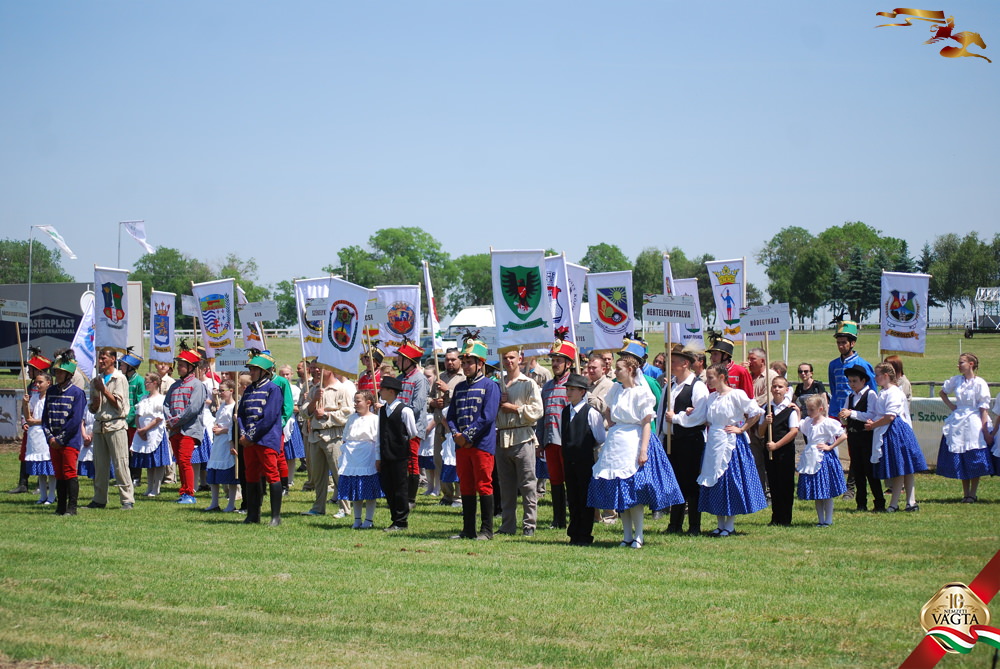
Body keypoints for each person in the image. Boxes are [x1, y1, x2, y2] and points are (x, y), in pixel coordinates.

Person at [587, 339, 684, 549]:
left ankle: (638, 535)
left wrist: (643, 450)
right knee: (621, 491)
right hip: (616, 441)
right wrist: (612, 422)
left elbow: (646, 423)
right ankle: (626, 535)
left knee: (634, 492)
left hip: (634, 439)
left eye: (619, 369)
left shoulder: (641, 392)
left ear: (631, 370)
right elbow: (607, 408)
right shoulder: (616, 389)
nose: (615, 372)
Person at [689, 362, 767, 537]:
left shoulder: (736, 394)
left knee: (730, 480)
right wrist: (691, 412)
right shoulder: (711, 397)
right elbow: (707, 418)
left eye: (711, 377)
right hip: (713, 441)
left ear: (722, 377)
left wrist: (741, 428)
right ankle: (720, 524)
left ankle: (729, 525)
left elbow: (755, 412)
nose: (708, 381)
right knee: (715, 480)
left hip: (730, 442)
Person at [847, 362, 927, 512]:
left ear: (885, 376)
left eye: (877, 375)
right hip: (887, 430)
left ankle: (907, 502)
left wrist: (873, 425)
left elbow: (890, 416)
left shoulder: (894, 392)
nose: (875, 378)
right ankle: (901, 503)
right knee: (901, 468)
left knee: (903, 467)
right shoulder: (884, 392)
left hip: (896, 430)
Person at [446, 336, 501, 540]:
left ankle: (486, 530)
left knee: (484, 485)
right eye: (465, 362)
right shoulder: (459, 387)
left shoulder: (490, 386)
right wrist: (456, 434)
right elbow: (451, 416)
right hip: (461, 445)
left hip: (482, 444)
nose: (466, 366)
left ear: (480, 363)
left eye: (470, 362)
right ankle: (468, 529)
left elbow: (488, 416)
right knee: (466, 486)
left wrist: (467, 436)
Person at [659, 343, 709, 535]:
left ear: (685, 363)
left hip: (690, 440)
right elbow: (661, 412)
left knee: (691, 483)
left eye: (673, 362)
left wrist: (677, 418)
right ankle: (675, 524)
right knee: (675, 482)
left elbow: (700, 415)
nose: (670, 365)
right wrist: (661, 435)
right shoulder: (670, 385)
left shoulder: (697, 386)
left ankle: (694, 525)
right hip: (671, 440)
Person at [495, 348, 543, 537]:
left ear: (520, 359)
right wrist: (498, 402)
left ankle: (529, 524)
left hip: (522, 436)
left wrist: (515, 408)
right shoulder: (498, 384)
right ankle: (508, 524)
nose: (508, 361)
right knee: (506, 485)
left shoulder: (528, 383)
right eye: (505, 358)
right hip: (502, 437)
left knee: (527, 483)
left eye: (512, 357)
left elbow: (537, 410)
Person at [937, 353, 993, 502]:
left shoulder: (980, 383)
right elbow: (942, 392)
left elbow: (983, 408)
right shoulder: (957, 380)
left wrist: (985, 430)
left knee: (973, 455)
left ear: (971, 364)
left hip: (973, 420)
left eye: (961, 362)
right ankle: (966, 493)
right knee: (961, 455)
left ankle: (973, 493)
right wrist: (953, 407)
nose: (958, 365)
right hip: (958, 419)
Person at [237, 352, 285, 525]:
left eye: (254, 369)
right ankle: (253, 514)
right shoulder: (249, 389)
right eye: (251, 369)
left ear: (264, 371)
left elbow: (269, 417)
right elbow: (241, 414)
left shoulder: (273, 389)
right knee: (250, 475)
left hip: (266, 439)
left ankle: (275, 517)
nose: (251, 372)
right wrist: (243, 433)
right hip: (249, 441)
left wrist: (250, 436)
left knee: (272, 474)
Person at [301, 365, 354, 517]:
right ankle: (318, 507)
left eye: (320, 368)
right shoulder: (314, 389)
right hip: (315, 435)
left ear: (330, 369)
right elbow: (304, 412)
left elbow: (348, 413)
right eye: (315, 368)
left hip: (334, 436)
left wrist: (327, 415)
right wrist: (314, 400)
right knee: (318, 475)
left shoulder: (342, 389)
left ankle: (345, 508)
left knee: (338, 473)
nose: (317, 370)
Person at [561, 373, 605, 545]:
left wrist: (586, 447)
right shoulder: (565, 412)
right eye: (568, 389)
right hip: (569, 460)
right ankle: (574, 532)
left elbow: (600, 437)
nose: (569, 392)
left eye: (573, 389)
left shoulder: (590, 413)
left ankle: (585, 533)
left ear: (582, 392)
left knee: (584, 497)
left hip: (585, 461)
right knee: (572, 497)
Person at [88, 347, 134, 510]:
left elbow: (119, 405)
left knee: (120, 463)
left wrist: (103, 390)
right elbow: (92, 408)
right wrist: (95, 402)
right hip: (100, 425)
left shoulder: (119, 379)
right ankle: (99, 499)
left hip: (116, 424)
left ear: (113, 359)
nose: (101, 361)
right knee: (100, 465)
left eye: (104, 358)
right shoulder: (96, 380)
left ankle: (127, 499)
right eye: (99, 358)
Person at [538, 334, 575, 529]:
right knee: (555, 481)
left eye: (559, 360)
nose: (555, 364)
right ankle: (558, 519)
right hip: (550, 441)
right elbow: (542, 416)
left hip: (567, 442)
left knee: (571, 480)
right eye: (553, 360)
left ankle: (575, 517)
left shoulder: (574, 386)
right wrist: (539, 442)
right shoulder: (547, 387)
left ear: (568, 363)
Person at [42, 353, 86, 516]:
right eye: (56, 372)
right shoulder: (51, 391)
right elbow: (45, 417)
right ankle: (60, 507)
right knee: (58, 473)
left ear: (69, 374)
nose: (57, 375)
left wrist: (60, 439)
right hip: (53, 441)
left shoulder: (77, 393)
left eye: (61, 372)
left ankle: (72, 507)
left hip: (69, 441)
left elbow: (75, 420)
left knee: (69, 472)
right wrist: (50, 437)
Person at [837, 366, 885, 513]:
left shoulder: (870, 394)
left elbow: (871, 415)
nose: (852, 384)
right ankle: (861, 502)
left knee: (870, 470)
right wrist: (844, 417)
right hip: (853, 435)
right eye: (850, 381)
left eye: (855, 381)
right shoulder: (850, 397)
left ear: (863, 381)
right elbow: (846, 415)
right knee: (857, 469)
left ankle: (879, 502)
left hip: (866, 436)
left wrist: (851, 413)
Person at [163, 348, 207, 504]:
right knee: (180, 462)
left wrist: (175, 422)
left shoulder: (197, 385)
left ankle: (189, 493)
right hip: (175, 430)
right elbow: (166, 404)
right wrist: (170, 420)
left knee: (184, 460)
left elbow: (192, 409)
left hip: (189, 429)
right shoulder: (175, 385)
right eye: (179, 364)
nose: (179, 367)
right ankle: (184, 491)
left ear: (191, 367)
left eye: (182, 365)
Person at [798, 395, 848, 527]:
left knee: (826, 491)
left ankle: (828, 519)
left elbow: (843, 435)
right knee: (817, 492)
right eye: (807, 409)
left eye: (812, 410)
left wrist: (830, 446)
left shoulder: (827, 423)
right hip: (810, 458)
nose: (809, 412)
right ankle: (820, 520)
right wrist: (797, 411)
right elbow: (799, 425)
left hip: (823, 459)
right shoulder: (808, 422)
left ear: (820, 409)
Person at [337, 390, 383, 529]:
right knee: (356, 491)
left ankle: (368, 520)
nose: (355, 404)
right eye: (355, 401)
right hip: (352, 457)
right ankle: (357, 519)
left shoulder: (375, 419)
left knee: (369, 491)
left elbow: (378, 440)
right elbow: (345, 436)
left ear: (368, 402)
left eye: (358, 401)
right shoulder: (352, 418)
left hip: (367, 455)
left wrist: (378, 458)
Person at [9, 349, 52, 495]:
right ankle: (23, 483)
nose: (28, 372)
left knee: (44, 455)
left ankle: (43, 485)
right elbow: (26, 408)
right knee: (25, 454)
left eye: (31, 369)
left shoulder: (49, 389)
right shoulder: (30, 387)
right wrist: (24, 421)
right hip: (31, 427)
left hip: (42, 428)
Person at [758, 376, 800, 526]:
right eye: (774, 386)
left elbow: (793, 431)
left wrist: (777, 445)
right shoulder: (767, 408)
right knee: (773, 483)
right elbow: (760, 432)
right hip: (770, 451)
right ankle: (775, 517)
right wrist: (766, 422)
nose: (777, 389)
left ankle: (785, 518)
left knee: (785, 484)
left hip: (785, 451)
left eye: (780, 387)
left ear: (786, 390)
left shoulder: (790, 409)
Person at [378, 376, 418, 532]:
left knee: (400, 488)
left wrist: (399, 441)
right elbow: (379, 433)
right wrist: (378, 456)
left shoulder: (405, 410)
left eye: (383, 389)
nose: (380, 391)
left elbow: (412, 432)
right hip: (385, 454)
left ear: (391, 391)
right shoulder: (382, 410)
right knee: (388, 487)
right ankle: (394, 517)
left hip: (399, 455)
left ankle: (401, 521)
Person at [428, 346, 464, 508]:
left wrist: (448, 391)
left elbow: (463, 397)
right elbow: (428, 398)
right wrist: (433, 403)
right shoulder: (440, 377)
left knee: (457, 462)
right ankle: (446, 495)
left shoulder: (463, 378)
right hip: (440, 428)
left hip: (456, 428)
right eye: (447, 359)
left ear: (459, 361)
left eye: (453, 359)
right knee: (440, 461)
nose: (449, 362)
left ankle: (459, 495)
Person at [395, 339, 428, 509]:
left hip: (412, 428)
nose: (397, 361)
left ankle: (411, 498)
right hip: (397, 427)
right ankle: (400, 495)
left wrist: (398, 413)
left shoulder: (420, 379)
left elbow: (417, 405)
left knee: (412, 461)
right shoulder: (399, 378)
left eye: (400, 358)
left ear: (408, 361)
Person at [130, 373, 172, 498]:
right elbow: (138, 415)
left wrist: (145, 429)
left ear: (155, 383)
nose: (145, 384)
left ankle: (156, 487)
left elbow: (159, 418)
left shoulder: (161, 399)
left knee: (157, 462)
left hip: (155, 432)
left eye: (147, 382)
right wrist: (140, 430)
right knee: (149, 462)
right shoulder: (144, 398)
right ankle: (149, 486)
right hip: (143, 432)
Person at [827, 319, 875, 418]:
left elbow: (872, 391)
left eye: (844, 342)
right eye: (838, 343)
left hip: (855, 412)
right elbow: (833, 388)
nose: (840, 346)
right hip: (835, 411)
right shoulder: (833, 364)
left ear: (852, 343)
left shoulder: (863, 364)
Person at [21, 372, 55, 505]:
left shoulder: (51, 398)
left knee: (50, 469)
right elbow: (28, 416)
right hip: (35, 436)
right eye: (36, 382)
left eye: (41, 382)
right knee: (40, 470)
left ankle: (51, 496)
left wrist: (35, 421)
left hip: (46, 434)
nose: (37, 384)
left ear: (48, 383)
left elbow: (49, 418)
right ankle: (43, 495)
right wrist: (25, 404)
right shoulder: (35, 397)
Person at [205, 379, 238, 513]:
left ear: (231, 391)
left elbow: (234, 427)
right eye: (219, 390)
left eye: (222, 390)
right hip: (218, 443)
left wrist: (222, 430)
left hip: (227, 442)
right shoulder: (222, 406)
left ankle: (231, 503)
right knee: (214, 473)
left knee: (230, 476)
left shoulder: (234, 407)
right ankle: (214, 502)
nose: (220, 393)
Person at [120, 348, 148, 486]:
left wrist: (129, 418)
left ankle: (136, 477)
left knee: (134, 449)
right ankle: (125, 476)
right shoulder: (122, 380)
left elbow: (139, 403)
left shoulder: (139, 381)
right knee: (123, 450)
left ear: (130, 367)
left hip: (133, 423)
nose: (120, 367)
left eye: (123, 365)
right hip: (122, 421)